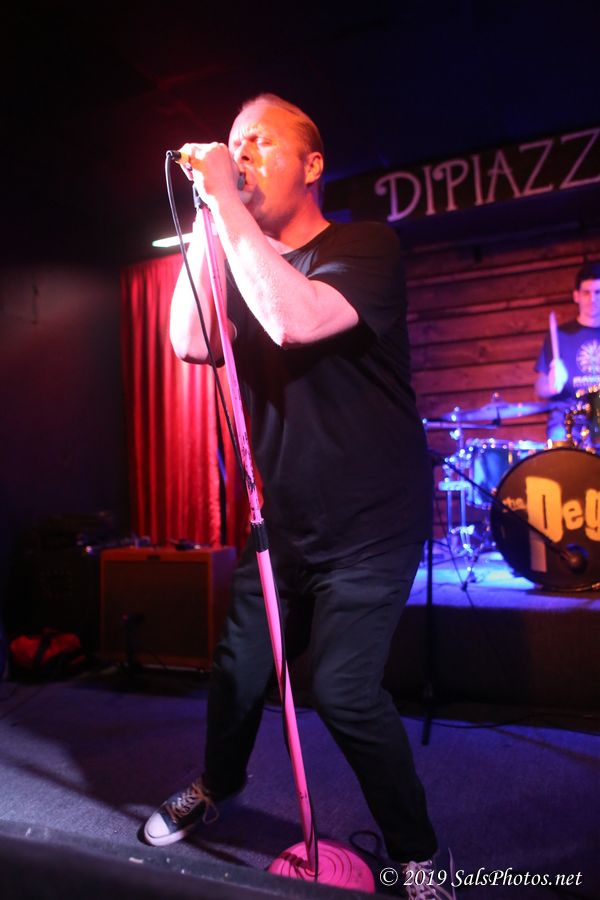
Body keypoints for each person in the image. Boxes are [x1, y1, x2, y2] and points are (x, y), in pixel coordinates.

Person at [144, 93, 447, 894]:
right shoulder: (237, 256)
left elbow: (292, 319)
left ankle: (418, 854)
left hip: (372, 524)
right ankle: (217, 785)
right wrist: (210, 216)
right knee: (237, 673)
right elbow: (188, 341)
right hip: (283, 526)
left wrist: (226, 200)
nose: (241, 154)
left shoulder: (365, 246)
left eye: (260, 142)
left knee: (343, 691)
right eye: (233, 144)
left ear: (312, 165)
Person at [534, 261, 600, 443]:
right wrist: (551, 385)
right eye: (586, 293)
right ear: (576, 296)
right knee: (559, 446)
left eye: (598, 292)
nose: (592, 299)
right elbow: (539, 387)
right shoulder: (559, 336)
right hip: (567, 422)